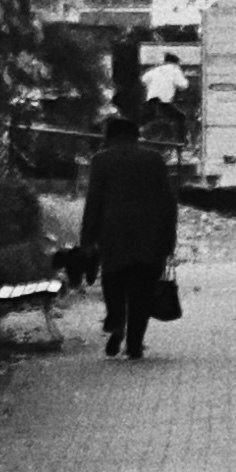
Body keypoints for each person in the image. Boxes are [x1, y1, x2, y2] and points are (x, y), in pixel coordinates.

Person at [81, 108, 179, 358]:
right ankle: (134, 343)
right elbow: (168, 202)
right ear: (136, 136)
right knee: (142, 291)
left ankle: (116, 321)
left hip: (113, 233)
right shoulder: (154, 159)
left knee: (114, 280)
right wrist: (170, 238)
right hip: (151, 234)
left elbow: (94, 201)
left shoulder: (102, 160)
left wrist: (87, 240)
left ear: (110, 137)